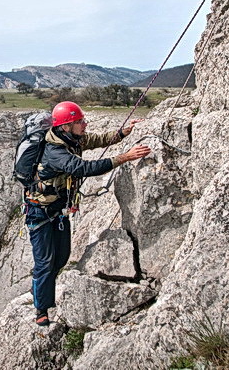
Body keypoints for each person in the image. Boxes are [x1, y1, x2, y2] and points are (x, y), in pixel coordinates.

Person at [25, 101, 151, 327]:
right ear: (65, 126)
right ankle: (41, 309)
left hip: (59, 211)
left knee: (61, 258)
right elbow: (85, 169)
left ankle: (45, 292)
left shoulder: (71, 139)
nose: (85, 124)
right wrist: (124, 157)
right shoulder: (55, 151)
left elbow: (98, 139)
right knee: (45, 262)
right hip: (40, 213)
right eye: (80, 121)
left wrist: (123, 132)